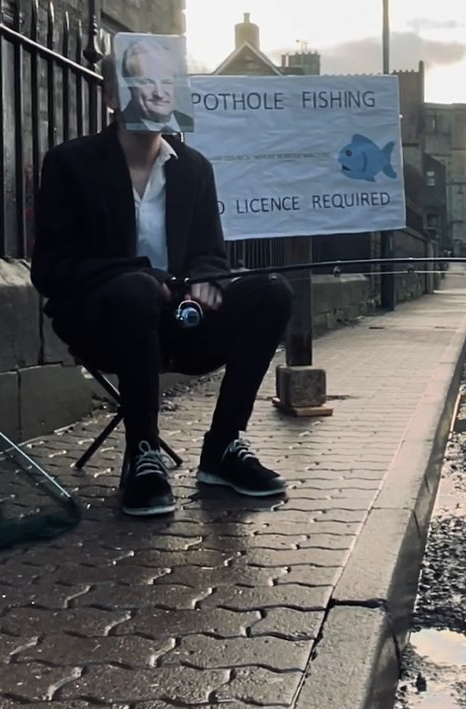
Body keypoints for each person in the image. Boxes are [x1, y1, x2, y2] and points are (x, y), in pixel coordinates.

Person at [30, 43, 293, 517]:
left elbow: (211, 252)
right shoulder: (70, 163)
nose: (156, 91)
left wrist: (209, 279)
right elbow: (51, 270)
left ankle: (224, 447)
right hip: (105, 324)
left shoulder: (194, 168)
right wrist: (142, 275)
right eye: (141, 80)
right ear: (112, 95)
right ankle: (143, 452)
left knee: (272, 291)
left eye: (165, 81)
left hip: (180, 325)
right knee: (136, 290)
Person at [117, 36, 194, 134]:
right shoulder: (123, 127)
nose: (159, 94)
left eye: (166, 82)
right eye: (147, 82)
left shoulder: (187, 122)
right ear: (130, 84)